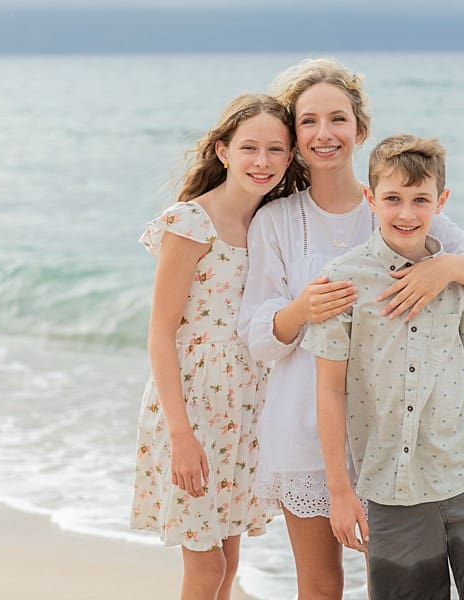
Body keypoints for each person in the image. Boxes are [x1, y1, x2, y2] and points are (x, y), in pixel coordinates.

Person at [238, 58, 464, 598]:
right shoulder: (274, 221)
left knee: (392, 583)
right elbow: (256, 335)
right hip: (306, 427)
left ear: (359, 130)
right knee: (320, 585)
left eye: (337, 118)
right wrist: (303, 307)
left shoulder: (392, 205)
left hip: (397, 440)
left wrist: (447, 266)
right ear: (294, 135)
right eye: (308, 121)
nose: (324, 133)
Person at [303, 134, 464, 599]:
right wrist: (340, 493)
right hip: (391, 492)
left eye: (421, 199)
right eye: (393, 199)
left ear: (440, 201)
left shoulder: (461, 279)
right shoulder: (344, 281)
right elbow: (328, 392)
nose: (406, 213)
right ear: (370, 199)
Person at [130, 93, 308, 600]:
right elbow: (161, 332)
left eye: (277, 150)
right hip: (192, 409)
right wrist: (180, 433)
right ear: (223, 150)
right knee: (205, 568)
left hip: (247, 406)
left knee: (228, 562)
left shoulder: (270, 224)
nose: (263, 161)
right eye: (250, 147)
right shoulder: (190, 223)